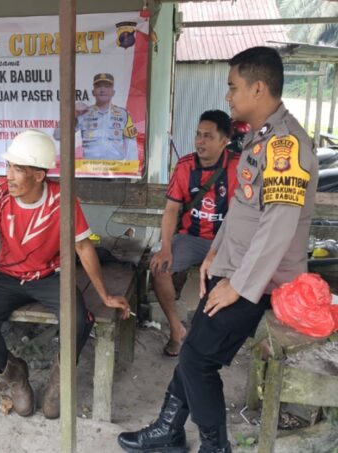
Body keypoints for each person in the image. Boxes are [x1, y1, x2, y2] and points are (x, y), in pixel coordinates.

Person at [117, 46, 318, 453]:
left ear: (257, 88)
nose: (228, 96)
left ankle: (213, 446)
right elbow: (242, 210)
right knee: (195, 348)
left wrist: (239, 285)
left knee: (196, 359)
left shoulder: (285, 146)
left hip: (261, 282)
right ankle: (170, 429)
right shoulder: (259, 139)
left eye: (233, 87)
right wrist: (215, 253)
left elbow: (277, 228)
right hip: (236, 267)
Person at [0, 129, 131, 419]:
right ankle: (13, 374)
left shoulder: (61, 198)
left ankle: (59, 379)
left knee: (78, 321)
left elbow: (83, 246)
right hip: (8, 276)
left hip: (51, 276)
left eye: (18, 169)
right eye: (8, 166)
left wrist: (105, 295)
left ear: (39, 175)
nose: (9, 175)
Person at [150, 110, 240, 357]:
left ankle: (213, 339)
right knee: (159, 268)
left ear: (224, 141)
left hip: (227, 241)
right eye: (198, 135)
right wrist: (166, 247)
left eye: (208, 136)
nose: (200, 141)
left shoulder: (238, 167)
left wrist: (221, 249)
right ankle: (176, 330)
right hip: (191, 238)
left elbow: (244, 215)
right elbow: (171, 209)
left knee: (234, 282)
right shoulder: (185, 166)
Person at [53, 73, 138, 160]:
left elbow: (131, 145)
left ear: (113, 92)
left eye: (107, 86)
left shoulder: (123, 114)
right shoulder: (83, 113)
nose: (102, 90)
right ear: (93, 92)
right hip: (89, 167)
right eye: (98, 86)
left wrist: (132, 167)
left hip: (116, 167)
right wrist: (72, 114)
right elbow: (58, 135)